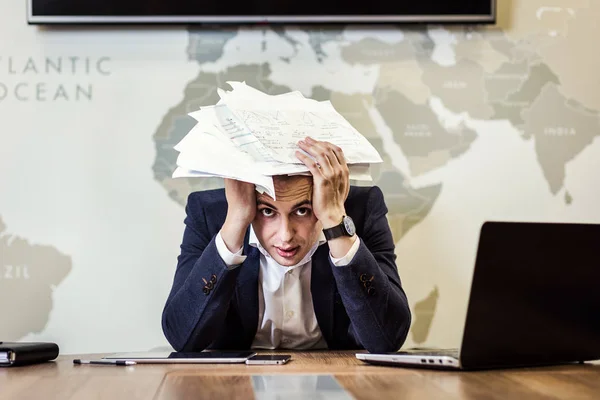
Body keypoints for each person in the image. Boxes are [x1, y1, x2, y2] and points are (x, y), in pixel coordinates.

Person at [162, 137, 411, 353]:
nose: (285, 236)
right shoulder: (210, 213)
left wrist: (335, 221)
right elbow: (182, 338)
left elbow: (387, 338)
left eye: (302, 210)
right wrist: (236, 219)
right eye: (268, 211)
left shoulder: (360, 210)